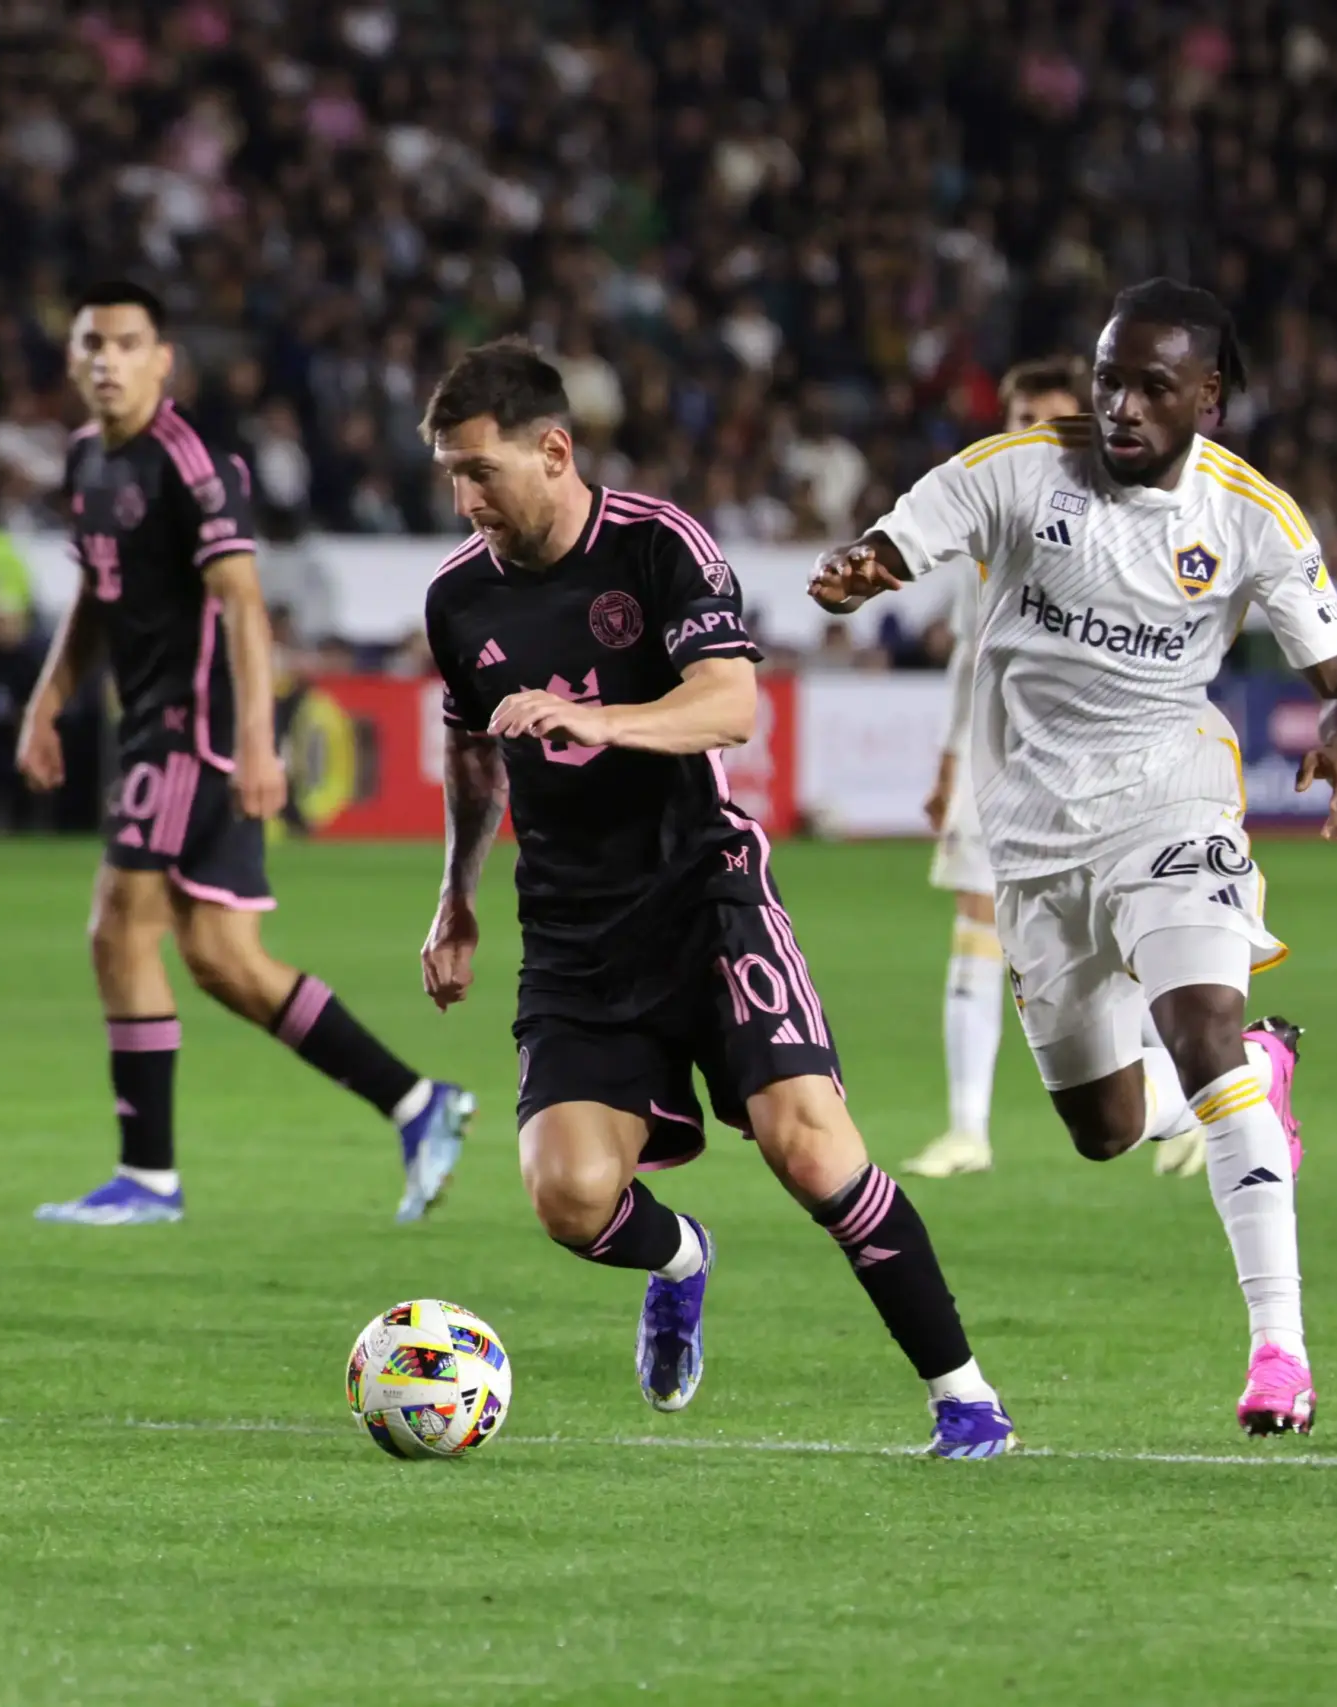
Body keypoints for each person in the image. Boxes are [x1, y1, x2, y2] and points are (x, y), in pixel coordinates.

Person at [417, 340, 1017, 1459]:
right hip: (572, 932)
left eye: (481, 471)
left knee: (808, 1148)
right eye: (451, 474)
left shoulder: (655, 545)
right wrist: (456, 898)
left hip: (705, 895)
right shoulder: (458, 598)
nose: (466, 499)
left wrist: (596, 719)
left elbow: (730, 703)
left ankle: (964, 1397)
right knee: (567, 1199)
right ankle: (681, 1260)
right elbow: (471, 759)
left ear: (553, 451)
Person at [809, 279, 1337, 1437]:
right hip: (1029, 834)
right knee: (1104, 1127)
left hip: (1171, 796)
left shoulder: (1252, 517)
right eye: (1109, 376)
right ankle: (1256, 1079)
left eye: (1150, 386)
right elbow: (903, 536)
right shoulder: (1019, 469)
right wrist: (865, 567)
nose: (1118, 405)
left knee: (1198, 1023)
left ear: (1207, 398)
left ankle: (1281, 1355)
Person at [18, 281, 476, 1227]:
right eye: (91, 342)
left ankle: (147, 1179)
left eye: (127, 343)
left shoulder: (189, 462)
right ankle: (415, 1101)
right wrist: (46, 702)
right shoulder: (83, 460)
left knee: (118, 926)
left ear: (162, 360)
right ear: (72, 358)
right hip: (148, 721)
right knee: (225, 958)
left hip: (194, 728)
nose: (106, 359)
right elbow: (97, 599)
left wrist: (261, 741)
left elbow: (243, 602)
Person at [900, 358, 1219, 1179]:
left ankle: (1191, 1091)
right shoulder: (990, 516)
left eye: (1052, 420)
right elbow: (969, 657)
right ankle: (968, 1127)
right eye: (1020, 419)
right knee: (980, 929)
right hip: (998, 763)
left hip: (1098, 768)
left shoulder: (1123, 523)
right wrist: (946, 761)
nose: (1033, 435)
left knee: (1126, 944)